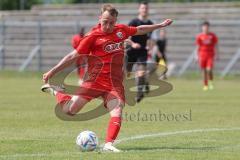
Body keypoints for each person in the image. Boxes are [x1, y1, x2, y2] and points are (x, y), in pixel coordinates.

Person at [41, 4, 172, 152]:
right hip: (94, 81)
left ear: (116, 21)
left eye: (111, 22)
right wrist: (52, 71)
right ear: (99, 19)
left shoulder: (121, 31)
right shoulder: (92, 36)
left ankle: (109, 144)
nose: (108, 25)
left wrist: (160, 25)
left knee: (117, 110)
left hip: (113, 84)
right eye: (105, 21)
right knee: (69, 111)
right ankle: (57, 92)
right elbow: (72, 56)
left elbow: (140, 29)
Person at [126, 1, 154, 103]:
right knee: (126, 74)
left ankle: (139, 94)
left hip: (142, 52)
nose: (144, 10)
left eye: (146, 8)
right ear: (139, 9)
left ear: (148, 10)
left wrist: (150, 46)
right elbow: (126, 38)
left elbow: (151, 38)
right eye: (142, 8)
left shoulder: (150, 24)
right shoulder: (133, 22)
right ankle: (145, 82)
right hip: (131, 51)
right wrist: (133, 44)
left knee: (140, 73)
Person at [196, 21, 218, 91]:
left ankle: (211, 82)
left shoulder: (212, 36)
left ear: (208, 27)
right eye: (204, 27)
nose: (205, 28)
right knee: (204, 71)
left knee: (209, 69)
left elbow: (216, 45)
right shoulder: (199, 36)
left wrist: (217, 54)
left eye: (207, 27)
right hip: (202, 55)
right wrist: (196, 56)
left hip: (210, 55)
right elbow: (198, 47)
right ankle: (205, 85)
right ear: (202, 28)